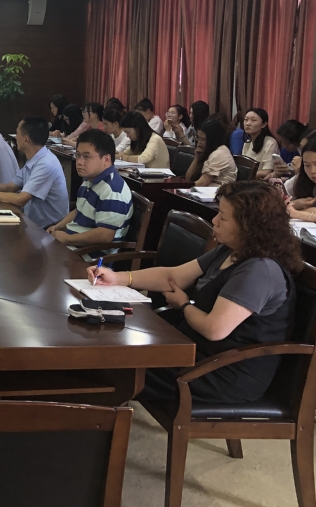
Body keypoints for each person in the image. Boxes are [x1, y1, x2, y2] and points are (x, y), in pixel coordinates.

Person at [90, 181, 302, 405]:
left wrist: (184, 305)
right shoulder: (230, 251)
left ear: (249, 226)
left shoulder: (259, 270)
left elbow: (214, 329)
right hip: (198, 353)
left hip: (223, 373)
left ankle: (98, 419)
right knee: (117, 353)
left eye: (223, 217)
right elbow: (173, 276)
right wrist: (119, 278)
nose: (214, 221)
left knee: (119, 364)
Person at [0, 116, 69, 228]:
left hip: (50, 229)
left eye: (17, 134)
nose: (16, 137)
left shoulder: (46, 164)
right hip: (32, 224)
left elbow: (21, 199)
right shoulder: (35, 158)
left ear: (25, 139)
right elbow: (10, 187)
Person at [45, 130, 132, 248]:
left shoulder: (112, 190)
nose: (79, 162)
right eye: (78, 155)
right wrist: (57, 227)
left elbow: (105, 235)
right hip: (73, 245)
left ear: (106, 159)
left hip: (88, 254)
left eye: (86, 157)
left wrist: (68, 239)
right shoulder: (89, 180)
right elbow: (78, 210)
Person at [185, 119, 237, 186]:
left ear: (213, 139)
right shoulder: (207, 151)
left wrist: (181, 187)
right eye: (198, 138)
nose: (199, 143)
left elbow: (203, 183)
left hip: (220, 192)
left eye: (203, 139)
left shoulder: (219, 153)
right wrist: (197, 158)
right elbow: (188, 179)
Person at [240, 108, 278, 179]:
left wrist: (245, 176)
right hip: (248, 180)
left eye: (253, 120)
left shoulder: (270, 143)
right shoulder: (247, 143)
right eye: (246, 120)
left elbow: (267, 172)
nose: (248, 123)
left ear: (263, 124)